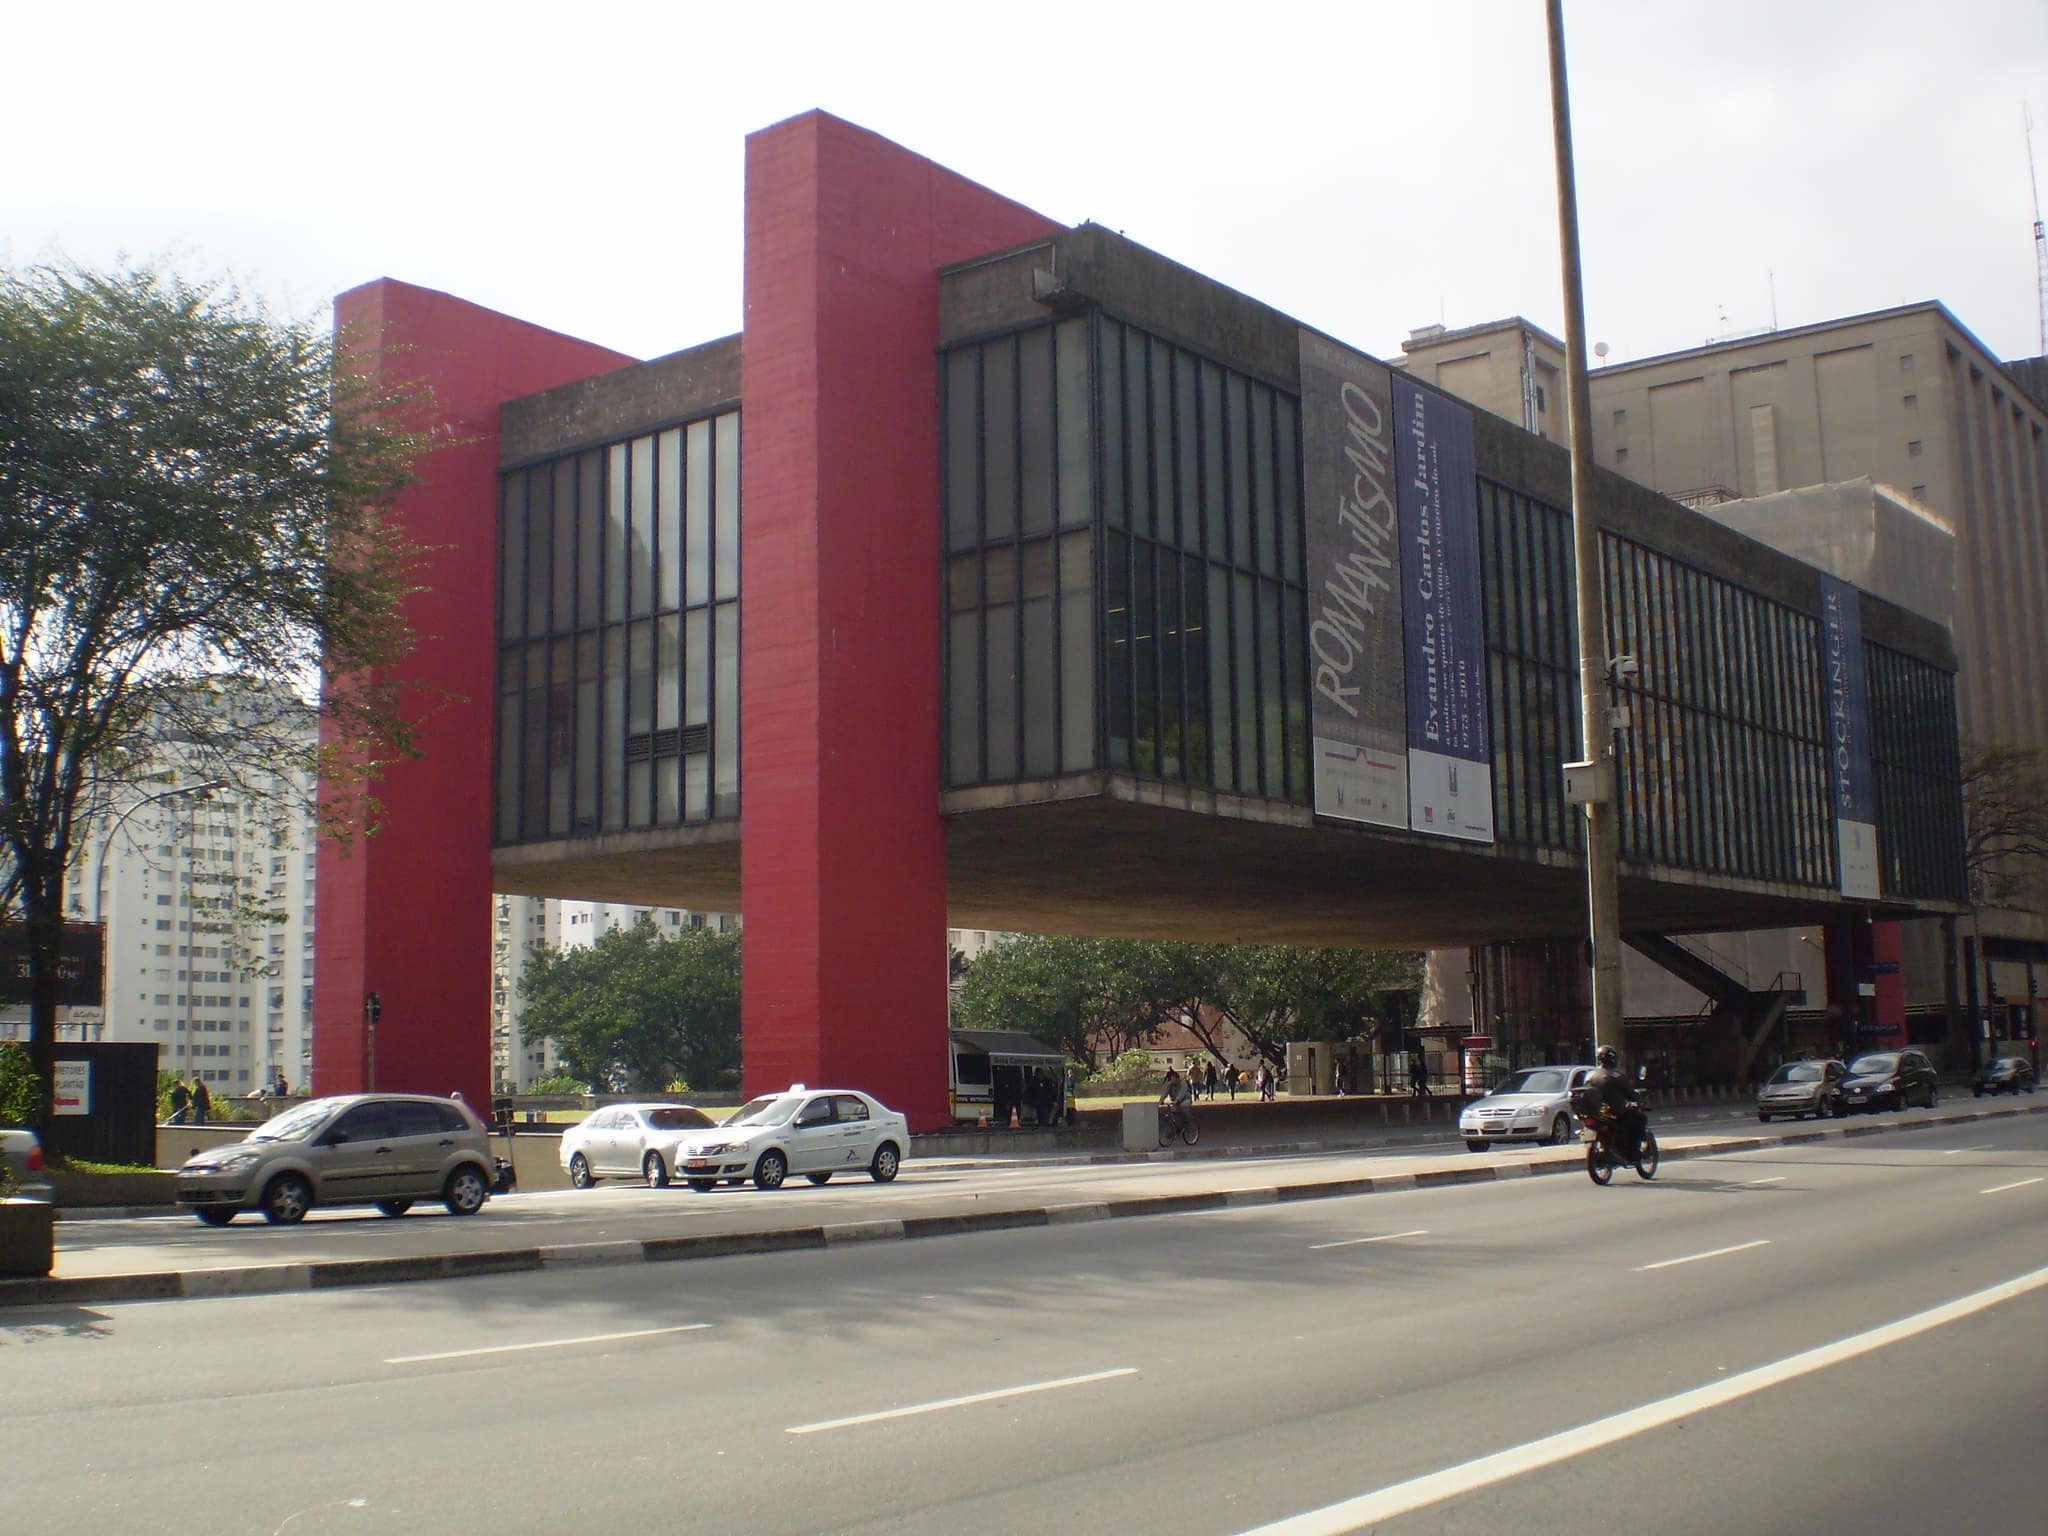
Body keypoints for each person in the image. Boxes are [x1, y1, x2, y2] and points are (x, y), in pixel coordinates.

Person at [1586, 1045, 1646, 1161]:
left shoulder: (1589, 1075)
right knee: (1640, 1118)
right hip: (1614, 1112)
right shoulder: (1616, 1075)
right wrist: (1639, 1100)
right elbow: (1629, 1092)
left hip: (1597, 1112)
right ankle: (1633, 1151)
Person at [1159, 1066, 1192, 1137]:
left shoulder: (1183, 1083)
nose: (1172, 1081)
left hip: (1185, 1099)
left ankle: (1188, 1122)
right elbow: (1165, 1093)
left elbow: (1182, 1093)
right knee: (1171, 1114)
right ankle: (1174, 1129)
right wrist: (1160, 1101)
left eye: (1173, 1079)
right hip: (1175, 1102)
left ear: (1177, 1078)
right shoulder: (1169, 1084)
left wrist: (1177, 1100)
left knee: (1183, 1106)